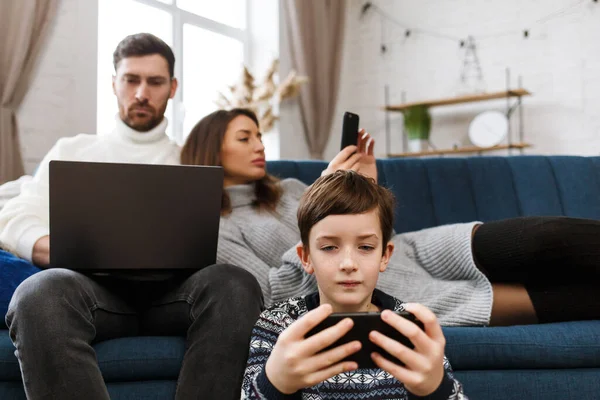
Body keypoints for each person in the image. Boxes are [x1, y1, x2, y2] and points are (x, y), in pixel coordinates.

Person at [0, 34, 262, 400]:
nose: (141, 93)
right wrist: (60, 249)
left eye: (154, 82)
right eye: (131, 80)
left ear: (172, 88)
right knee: (35, 293)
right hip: (93, 294)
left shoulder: (192, 160)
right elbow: (15, 214)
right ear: (114, 84)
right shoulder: (74, 151)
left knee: (236, 284)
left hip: (175, 296)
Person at [181, 107, 600, 327]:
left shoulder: (289, 188)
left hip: (413, 250)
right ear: (211, 149)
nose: (259, 144)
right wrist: (328, 200)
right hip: (378, 294)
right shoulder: (215, 227)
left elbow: (376, 235)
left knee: (548, 237)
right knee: (566, 297)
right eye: (244, 137)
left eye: (258, 134)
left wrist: (366, 191)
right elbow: (272, 297)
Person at [241, 170, 467, 399]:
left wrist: (435, 390)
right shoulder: (277, 323)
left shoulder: (409, 329)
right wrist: (275, 384)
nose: (348, 263)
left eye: (366, 247)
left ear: (385, 256)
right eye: (329, 247)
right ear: (306, 257)